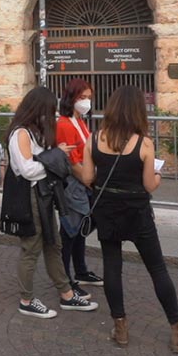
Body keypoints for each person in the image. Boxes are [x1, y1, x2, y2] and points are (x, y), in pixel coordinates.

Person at [79, 86, 178, 352]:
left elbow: (87, 178)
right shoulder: (144, 143)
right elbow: (148, 185)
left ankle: (120, 327)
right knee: (157, 269)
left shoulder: (94, 138)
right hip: (137, 212)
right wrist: (158, 176)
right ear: (137, 111)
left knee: (112, 266)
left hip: (107, 210)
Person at [6, 86, 97, 318]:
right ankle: (26, 300)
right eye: (48, 111)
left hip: (43, 195)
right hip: (30, 197)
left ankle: (66, 294)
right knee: (31, 248)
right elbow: (28, 170)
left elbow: (41, 163)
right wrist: (56, 157)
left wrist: (54, 156)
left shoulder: (35, 133)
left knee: (53, 244)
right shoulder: (21, 134)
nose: (52, 116)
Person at [54, 78, 102, 294]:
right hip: (75, 184)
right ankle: (65, 279)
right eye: (82, 98)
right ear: (71, 98)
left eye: (89, 98)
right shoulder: (65, 124)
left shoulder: (79, 120)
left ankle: (80, 271)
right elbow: (73, 162)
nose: (86, 102)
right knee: (69, 231)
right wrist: (90, 180)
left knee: (80, 229)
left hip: (83, 181)